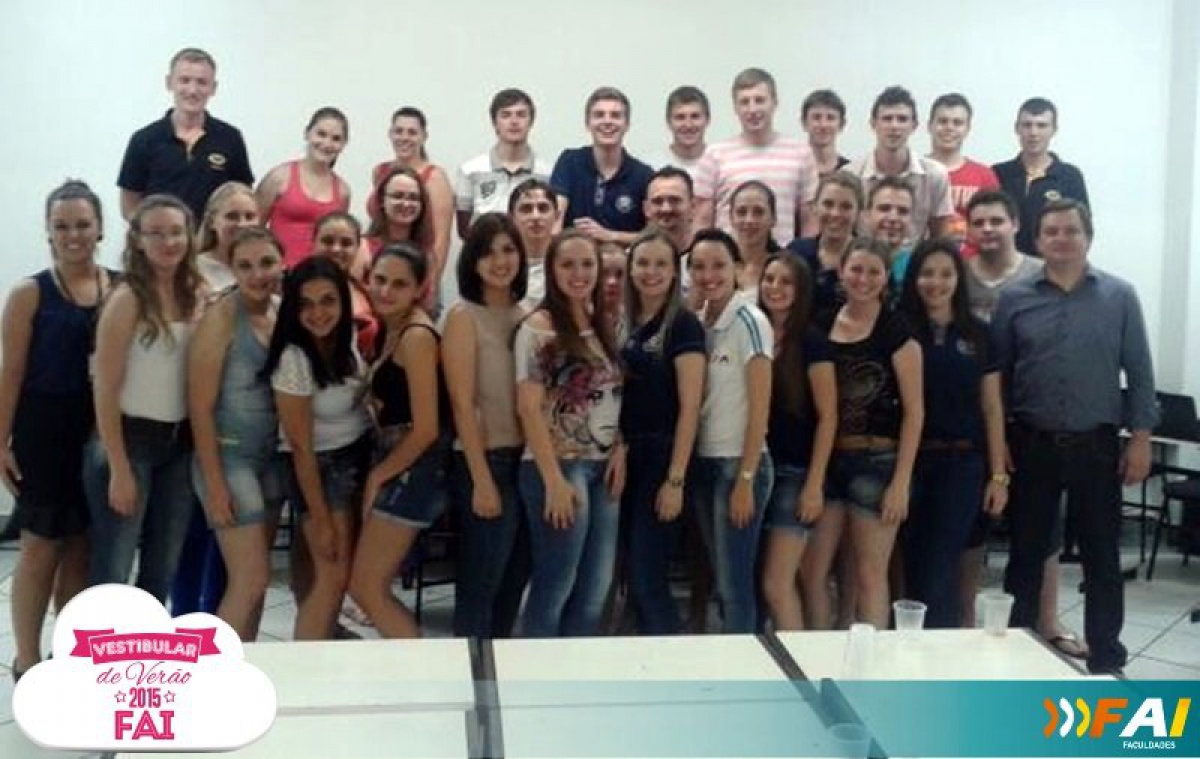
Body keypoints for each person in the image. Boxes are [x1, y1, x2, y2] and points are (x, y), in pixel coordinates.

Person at [993, 199, 1156, 675]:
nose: (1061, 239)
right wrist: (999, 444)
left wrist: (1141, 438)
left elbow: (1140, 373)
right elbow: (998, 378)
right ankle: (1020, 654)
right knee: (1025, 557)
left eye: (1071, 231)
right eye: (1051, 232)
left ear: (1089, 237)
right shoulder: (1013, 299)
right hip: (1032, 445)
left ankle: (1106, 659)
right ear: (1037, 239)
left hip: (1097, 447)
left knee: (1102, 558)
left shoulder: (1119, 296)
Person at [2, 180, 117, 680]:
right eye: (62, 226)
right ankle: (27, 661)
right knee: (40, 547)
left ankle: (67, 658)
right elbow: (11, 372)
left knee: (80, 549)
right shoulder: (30, 293)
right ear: (49, 232)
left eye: (83, 225)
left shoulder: (122, 288)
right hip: (44, 432)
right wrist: (0, 442)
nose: (74, 235)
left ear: (100, 229)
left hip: (99, 432)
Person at [85, 195, 203, 604]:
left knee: (162, 567)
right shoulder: (127, 299)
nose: (168, 242)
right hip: (128, 443)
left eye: (175, 232)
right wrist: (118, 468)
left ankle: (145, 642)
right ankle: (94, 645)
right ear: (137, 239)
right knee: (113, 570)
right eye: (155, 233)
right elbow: (104, 388)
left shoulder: (195, 294)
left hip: (178, 445)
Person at [802, 238, 923, 630]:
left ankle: (873, 661)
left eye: (873, 272)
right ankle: (822, 652)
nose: (863, 279)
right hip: (829, 459)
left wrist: (901, 483)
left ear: (886, 278)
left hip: (878, 463)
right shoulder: (822, 323)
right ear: (841, 271)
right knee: (814, 571)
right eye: (856, 269)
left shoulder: (896, 330)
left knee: (870, 574)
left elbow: (915, 411)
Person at [515, 230, 625, 637]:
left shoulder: (603, 324)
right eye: (567, 265)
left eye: (587, 264)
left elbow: (611, 395)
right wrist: (552, 480)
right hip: (559, 465)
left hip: (602, 465)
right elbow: (528, 408)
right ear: (552, 270)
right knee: (556, 582)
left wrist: (620, 447)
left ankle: (576, 665)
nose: (579, 273)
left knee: (595, 587)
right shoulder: (539, 328)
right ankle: (536, 667)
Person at [896, 239, 1007, 628]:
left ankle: (937, 648)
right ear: (914, 278)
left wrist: (998, 475)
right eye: (927, 273)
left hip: (962, 465)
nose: (936, 283)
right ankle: (907, 646)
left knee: (942, 565)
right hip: (908, 463)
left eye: (946, 274)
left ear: (959, 279)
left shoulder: (979, 334)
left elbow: (992, 407)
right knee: (910, 563)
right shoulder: (899, 329)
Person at [263, 257, 372, 640]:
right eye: (306, 304)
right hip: (322, 470)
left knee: (326, 573)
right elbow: (300, 447)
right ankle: (304, 662)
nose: (318, 313)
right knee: (333, 575)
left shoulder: (344, 341)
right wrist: (321, 518)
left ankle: (322, 645)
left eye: (328, 300)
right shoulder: (294, 358)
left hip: (352, 458)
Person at [346, 244, 450, 638]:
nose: (386, 291)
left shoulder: (416, 336)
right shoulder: (390, 329)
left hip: (414, 470)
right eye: (380, 280)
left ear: (419, 289)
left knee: (367, 588)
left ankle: (422, 666)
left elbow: (426, 428)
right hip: (399, 463)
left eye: (400, 284)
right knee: (365, 586)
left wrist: (379, 476)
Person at [188, 226, 285, 640]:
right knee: (250, 578)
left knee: (256, 585)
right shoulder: (222, 316)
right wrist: (215, 484)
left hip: (270, 456)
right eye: (245, 266)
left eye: (266, 263)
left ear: (282, 262)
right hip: (228, 458)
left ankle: (246, 661)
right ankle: (213, 670)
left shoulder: (281, 310)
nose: (257, 274)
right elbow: (199, 405)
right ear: (232, 269)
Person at [444, 213, 529, 638]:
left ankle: (498, 664)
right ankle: (470, 669)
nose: (500, 261)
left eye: (508, 250)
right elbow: (463, 404)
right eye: (489, 252)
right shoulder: (464, 316)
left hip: (526, 462)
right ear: (472, 261)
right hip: (485, 462)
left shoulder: (527, 315)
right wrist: (481, 480)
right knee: (482, 583)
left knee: (514, 579)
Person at [687, 229, 774, 634]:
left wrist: (746, 478)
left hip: (739, 464)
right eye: (699, 267)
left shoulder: (750, 321)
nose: (709, 276)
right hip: (706, 462)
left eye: (719, 265)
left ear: (738, 269)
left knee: (735, 584)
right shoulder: (699, 322)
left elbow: (760, 407)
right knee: (721, 580)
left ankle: (746, 660)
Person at [618, 230, 705, 634]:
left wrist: (675, 479)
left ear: (674, 273)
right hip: (625, 461)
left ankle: (674, 657)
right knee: (629, 576)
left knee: (647, 577)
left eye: (660, 264)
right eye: (642, 263)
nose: (650, 272)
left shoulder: (684, 325)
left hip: (664, 459)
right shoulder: (623, 323)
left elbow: (690, 407)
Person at [758, 254, 836, 631]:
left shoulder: (812, 340)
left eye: (786, 282)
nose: (775, 288)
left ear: (801, 290)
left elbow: (828, 417)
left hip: (795, 473)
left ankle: (801, 663)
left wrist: (814, 484)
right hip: (755, 469)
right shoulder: (753, 330)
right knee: (760, 583)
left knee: (778, 584)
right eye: (769, 279)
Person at [117, 48, 253, 221]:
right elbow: (129, 205)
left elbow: (243, 197)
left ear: (213, 88)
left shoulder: (230, 138)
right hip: (160, 237)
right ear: (169, 83)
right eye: (184, 80)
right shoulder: (143, 140)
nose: (192, 90)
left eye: (202, 82)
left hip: (212, 238)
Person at [695, 68, 820, 242]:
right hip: (729, 256)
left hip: (783, 257)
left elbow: (809, 218)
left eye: (759, 100)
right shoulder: (714, 154)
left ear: (774, 103)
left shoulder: (801, 153)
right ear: (735, 108)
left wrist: (807, 255)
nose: (752, 109)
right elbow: (702, 219)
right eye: (744, 102)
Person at [846, 86, 953, 242]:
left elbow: (940, 237)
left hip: (915, 256)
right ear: (873, 124)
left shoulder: (935, 175)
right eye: (887, 118)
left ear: (914, 125)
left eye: (902, 119)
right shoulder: (850, 175)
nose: (894, 126)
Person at [550, 87, 654, 244]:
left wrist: (610, 236)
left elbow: (653, 237)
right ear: (587, 123)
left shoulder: (644, 175)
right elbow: (555, 222)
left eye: (615, 115)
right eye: (599, 115)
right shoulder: (569, 162)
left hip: (624, 258)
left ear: (627, 125)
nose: (607, 121)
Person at [992, 98, 1090, 255]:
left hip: (1053, 264)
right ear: (1017, 128)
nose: (1033, 133)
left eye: (1041, 125)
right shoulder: (997, 174)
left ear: (1054, 130)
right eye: (1027, 125)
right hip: (1005, 264)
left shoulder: (1070, 176)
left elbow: (1082, 230)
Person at [257, 108, 352, 268]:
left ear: (343, 144)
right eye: (321, 134)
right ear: (307, 134)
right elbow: (253, 229)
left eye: (336, 139)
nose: (327, 143)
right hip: (280, 273)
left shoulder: (343, 191)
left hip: (319, 275)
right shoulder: (279, 177)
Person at [369, 107, 454, 280]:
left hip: (415, 269)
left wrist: (430, 283)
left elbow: (441, 239)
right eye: (399, 131)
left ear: (424, 136)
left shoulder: (435, 177)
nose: (404, 138)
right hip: (380, 266)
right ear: (390, 134)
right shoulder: (380, 171)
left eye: (412, 132)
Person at [455, 89, 552, 240]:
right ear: (495, 123)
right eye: (506, 115)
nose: (514, 121)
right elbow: (464, 229)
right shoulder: (469, 170)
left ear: (531, 122)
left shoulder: (548, 173)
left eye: (521, 115)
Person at [788, 172, 865, 328]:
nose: (835, 213)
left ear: (859, 213)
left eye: (846, 207)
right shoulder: (796, 253)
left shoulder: (871, 258)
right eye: (828, 204)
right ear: (815, 207)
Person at [926, 93, 999, 249]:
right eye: (942, 121)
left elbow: (995, 226)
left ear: (967, 129)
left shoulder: (984, 176)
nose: (949, 128)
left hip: (973, 260)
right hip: (925, 259)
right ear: (929, 126)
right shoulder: (916, 172)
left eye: (957, 123)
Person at [311, 212, 379, 360]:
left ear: (357, 248)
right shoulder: (292, 288)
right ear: (313, 242)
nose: (336, 249)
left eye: (346, 243)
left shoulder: (365, 291)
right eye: (328, 241)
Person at [196, 181, 260, 295]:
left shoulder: (268, 267)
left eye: (249, 216)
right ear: (211, 222)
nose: (242, 224)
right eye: (232, 216)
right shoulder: (193, 269)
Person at [728, 181, 782, 302]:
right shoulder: (717, 265)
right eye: (741, 212)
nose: (749, 220)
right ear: (731, 217)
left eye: (758, 212)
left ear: (773, 218)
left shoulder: (787, 268)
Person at [509, 178, 559, 309]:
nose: (535, 216)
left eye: (543, 208)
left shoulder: (567, 265)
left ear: (557, 215)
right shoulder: (502, 266)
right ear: (511, 217)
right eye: (526, 209)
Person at [863, 177, 917, 285]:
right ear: (867, 215)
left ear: (912, 219)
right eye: (884, 209)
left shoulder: (918, 267)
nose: (893, 218)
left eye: (903, 211)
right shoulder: (850, 262)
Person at [649, 86, 711, 177]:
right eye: (680, 117)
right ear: (668, 121)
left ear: (708, 120)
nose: (688, 125)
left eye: (695, 116)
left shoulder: (722, 164)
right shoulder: (651, 167)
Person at [643, 167, 697, 254]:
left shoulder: (710, 259)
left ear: (693, 207)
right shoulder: (631, 260)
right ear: (646, 209)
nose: (666, 209)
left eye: (675, 200)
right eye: (657, 201)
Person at [801, 89, 851, 178]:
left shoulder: (851, 171)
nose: (823, 125)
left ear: (842, 124)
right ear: (804, 123)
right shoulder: (792, 170)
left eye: (830, 118)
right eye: (816, 117)